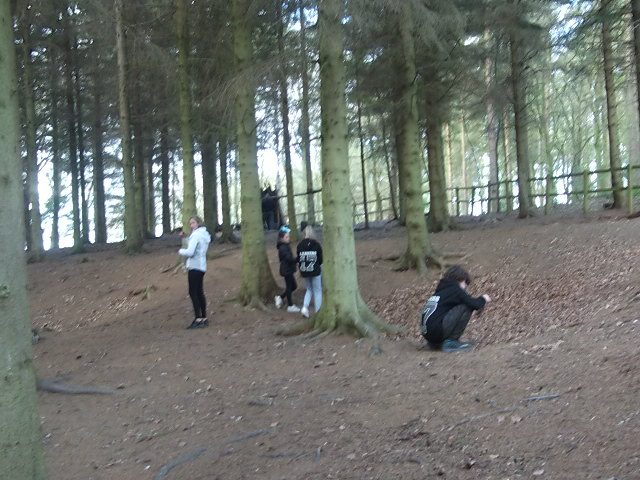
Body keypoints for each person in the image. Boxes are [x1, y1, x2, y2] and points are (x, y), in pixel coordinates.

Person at [420, 265, 491, 352]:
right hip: (437, 331)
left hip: (428, 334)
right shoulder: (455, 289)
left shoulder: (441, 291)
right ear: (461, 280)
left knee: (462, 306)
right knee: (466, 306)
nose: (465, 287)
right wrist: (483, 298)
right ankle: (451, 342)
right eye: (465, 283)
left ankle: (438, 343)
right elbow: (474, 304)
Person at [178, 216, 212, 329]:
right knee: (199, 292)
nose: (191, 225)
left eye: (193, 223)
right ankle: (204, 318)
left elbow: (190, 252)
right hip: (202, 266)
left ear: (198, 223)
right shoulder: (204, 234)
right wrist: (185, 237)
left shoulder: (196, 235)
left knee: (193, 292)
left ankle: (198, 319)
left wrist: (180, 251)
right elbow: (196, 246)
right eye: (190, 223)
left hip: (194, 266)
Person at [296, 221, 323, 318]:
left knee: (309, 289)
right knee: (318, 290)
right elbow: (320, 259)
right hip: (315, 270)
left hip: (304, 270)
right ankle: (318, 311)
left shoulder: (299, 245)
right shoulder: (316, 244)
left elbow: (299, 259)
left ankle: (304, 307)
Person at [274, 225, 300, 313]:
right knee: (289, 287)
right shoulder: (283, 247)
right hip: (286, 270)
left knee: (294, 286)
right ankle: (290, 306)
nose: (288, 238)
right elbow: (289, 259)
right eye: (286, 237)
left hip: (288, 269)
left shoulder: (285, 246)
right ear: (282, 238)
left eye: (288, 236)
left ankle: (280, 297)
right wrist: (298, 259)